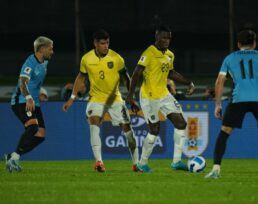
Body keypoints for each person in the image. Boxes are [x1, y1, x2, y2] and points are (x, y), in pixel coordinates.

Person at [205, 29, 258, 179]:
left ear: (238, 43)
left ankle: (215, 170)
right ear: (254, 43)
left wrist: (218, 104)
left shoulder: (229, 58)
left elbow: (219, 81)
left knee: (224, 133)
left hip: (238, 99)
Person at [63, 30, 138, 172]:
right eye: (102, 43)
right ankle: (99, 162)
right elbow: (81, 78)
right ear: (95, 43)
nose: (106, 46)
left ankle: (136, 164)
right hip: (96, 99)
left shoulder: (116, 58)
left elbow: (126, 78)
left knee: (129, 132)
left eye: (107, 43)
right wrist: (72, 98)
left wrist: (131, 98)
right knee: (94, 124)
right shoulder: (86, 59)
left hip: (115, 99)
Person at [127, 26, 195, 173]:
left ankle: (176, 162)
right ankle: (142, 163)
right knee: (154, 129)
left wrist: (188, 82)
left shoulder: (170, 55)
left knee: (181, 123)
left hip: (164, 95)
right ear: (156, 37)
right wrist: (131, 96)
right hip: (149, 97)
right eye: (163, 37)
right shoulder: (149, 52)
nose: (166, 40)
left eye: (168, 38)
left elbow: (170, 73)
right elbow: (136, 73)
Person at [4, 36, 54, 172]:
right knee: (32, 128)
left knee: (41, 135)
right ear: (42, 49)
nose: (52, 51)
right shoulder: (30, 63)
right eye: (50, 48)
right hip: (22, 101)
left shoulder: (44, 62)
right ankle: (13, 159)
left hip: (34, 102)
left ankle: (12, 156)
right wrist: (29, 97)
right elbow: (22, 83)